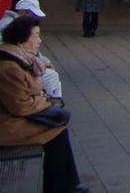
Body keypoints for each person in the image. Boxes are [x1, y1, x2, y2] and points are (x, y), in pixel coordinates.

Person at [0, 16, 88, 193]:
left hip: (12, 117)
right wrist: (44, 101)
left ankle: (66, 185)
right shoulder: (9, 67)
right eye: (36, 35)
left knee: (59, 129)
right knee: (56, 132)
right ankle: (60, 187)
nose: (39, 40)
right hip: (7, 124)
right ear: (21, 40)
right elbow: (21, 106)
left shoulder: (20, 59)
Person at [0, 0, 62, 102]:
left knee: (50, 76)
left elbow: (31, 49)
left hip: (17, 67)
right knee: (51, 76)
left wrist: (44, 61)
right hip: (15, 69)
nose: (35, 18)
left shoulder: (17, 24)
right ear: (23, 12)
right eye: (33, 15)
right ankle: (53, 104)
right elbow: (9, 50)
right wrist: (35, 61)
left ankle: (52, 102)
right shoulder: (9, 25)